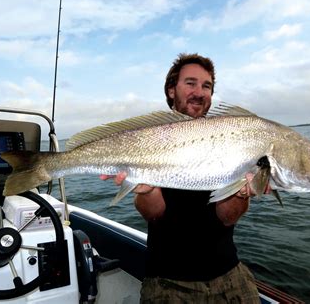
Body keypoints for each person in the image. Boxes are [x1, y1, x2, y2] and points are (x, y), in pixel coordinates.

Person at [101, 53, 262, 303]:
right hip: (168, 280)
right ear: (171, 91)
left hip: (229, 273)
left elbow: (228, 217)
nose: (199, 92)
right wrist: (148, 191)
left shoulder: (231, 142)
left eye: (206, 86)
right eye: (190, 83)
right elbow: (154, 215)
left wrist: (241, 191)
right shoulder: (150, 138)